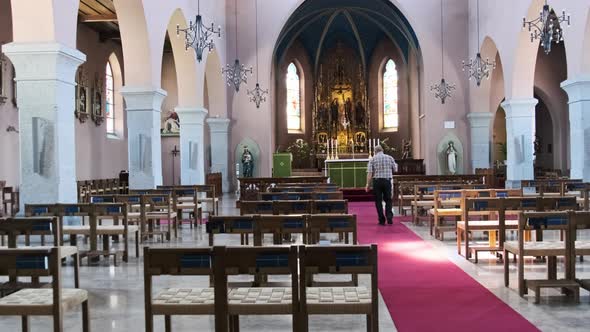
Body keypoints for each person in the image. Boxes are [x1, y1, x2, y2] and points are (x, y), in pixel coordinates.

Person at [365, 145, 398, 225]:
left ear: (375, 151)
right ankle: (389, 217)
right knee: (388, 199)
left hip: (377, 181)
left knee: (378, 201)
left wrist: (367, 185)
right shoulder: (390, 157)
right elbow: (395, 169)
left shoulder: (372, 159)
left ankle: (381, 219)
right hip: (387, 181)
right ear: (382, 150)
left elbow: (370, 173)